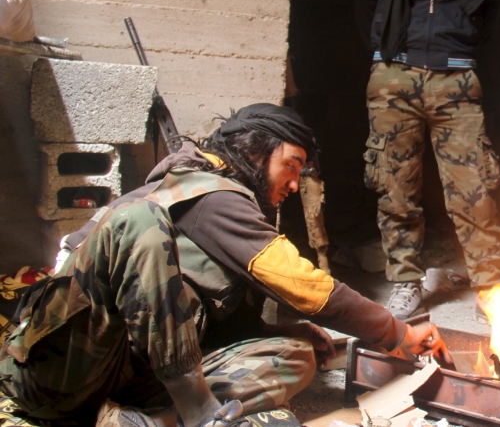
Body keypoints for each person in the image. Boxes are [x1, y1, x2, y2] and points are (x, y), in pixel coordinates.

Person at [0, 104, 444, 427]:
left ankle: (148, 422)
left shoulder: (233, 205)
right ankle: (197, 412)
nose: (294, 184)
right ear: (256, 152)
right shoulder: (211, 196)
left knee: (295, 352)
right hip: (58, 371)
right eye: (291, 166)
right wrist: (398, 333)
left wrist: (275, 332)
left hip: (125, 375)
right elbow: (304, 286)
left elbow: (192, 314)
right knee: (139, 220)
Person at [353, 0, 500, 319]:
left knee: (474, 189)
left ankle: (492, 289)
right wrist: (385, 57)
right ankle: (405, 281)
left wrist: (460, 49)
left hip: (456, 79)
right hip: (393, 76)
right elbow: (364, 4)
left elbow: (492, 15)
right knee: (395, 188)